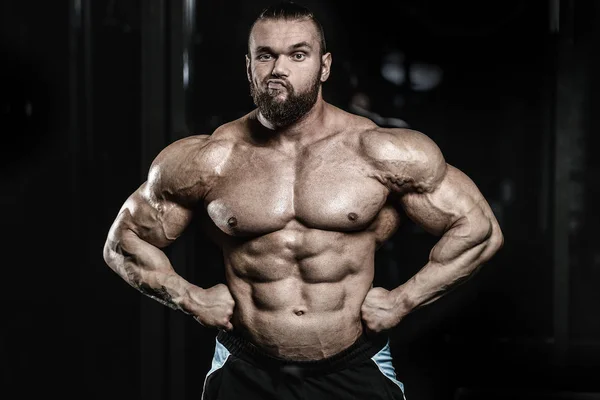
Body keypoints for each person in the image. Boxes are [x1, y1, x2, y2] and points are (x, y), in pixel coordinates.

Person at [103, 2, 504, 399]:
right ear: (250, 68)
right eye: (266, 55)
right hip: (246, 369)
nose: (279, 69)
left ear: (324, 66)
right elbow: (123, 242)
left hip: (354, 366)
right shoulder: (210, 159)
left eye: (298, 54)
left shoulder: (378, 152)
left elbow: (479, 231)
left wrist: (404, 300)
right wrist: (189, 298)